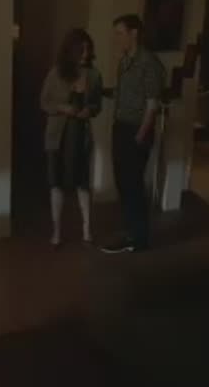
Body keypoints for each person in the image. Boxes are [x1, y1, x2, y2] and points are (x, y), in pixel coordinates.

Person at [101, 14, 166, 254]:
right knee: (123, 183)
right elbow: (122, 93)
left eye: (120, 33)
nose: (117, 39)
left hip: (136, 130)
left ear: (134, 33)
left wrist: (141, 134)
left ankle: (138, 239)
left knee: (133, 184)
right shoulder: (124, 61)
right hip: (120, 127)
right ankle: (130, 232)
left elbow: (152, 104)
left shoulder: (149, 63)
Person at [40, 28, 103, 247]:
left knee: (82, 182)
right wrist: (62, 107)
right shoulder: (56, 72)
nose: (85, 53)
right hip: (56, 136)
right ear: (71, 50)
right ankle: (56, 231)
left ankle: (87, 228)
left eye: (88, 49)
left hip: (80, 135)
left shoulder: (94, 75)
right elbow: (44, 101)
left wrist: (89, 110)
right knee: (55, 182)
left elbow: (97, 105)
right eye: (81, 49)